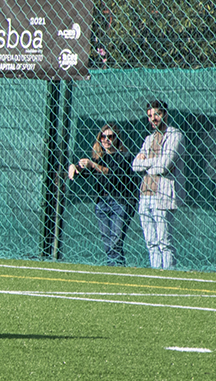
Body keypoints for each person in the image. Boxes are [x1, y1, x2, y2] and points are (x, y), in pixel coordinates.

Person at [66, 124, 134, 266]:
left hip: (120, 202)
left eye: (110, 137)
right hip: (102, 202)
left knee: (116, 241)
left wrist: (92, 165)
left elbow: (114, 174)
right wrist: (75, 167)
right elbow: (85, 172)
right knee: (107, 242)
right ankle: (116, 269)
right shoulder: (98, 158)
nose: (106, 140)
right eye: (103, 137)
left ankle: (115, 269)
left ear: (117, 138)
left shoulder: (124, 156)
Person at [133, 100, 183, 270]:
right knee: (151, 242)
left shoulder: (175, 135)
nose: (153, 119)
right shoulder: (149, 139)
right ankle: (156, 273)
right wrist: (153, 163)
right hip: (145, 194)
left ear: (165, 115)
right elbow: (135, 165)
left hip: (162, 195)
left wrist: (146, 162)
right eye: (150, 116)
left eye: (156, 114)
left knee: (164, 241)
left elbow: (164, 165)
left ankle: (168, 274)